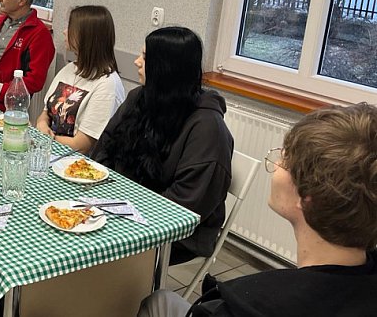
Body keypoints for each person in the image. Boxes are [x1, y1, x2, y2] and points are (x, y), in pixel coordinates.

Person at [139, 103, 377, 317]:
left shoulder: (241, 306)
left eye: (286, 160)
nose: (276, 165)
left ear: (306, 198)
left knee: (159, 301)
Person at [91, 27, 233, 265]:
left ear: (167, 68)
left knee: (87, 245)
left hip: (175, 233)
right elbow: (104, 147)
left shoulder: (208, 129)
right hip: (122, 206)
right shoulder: (140, 98)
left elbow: (185, 206)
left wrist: (120, 207)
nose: (136, 62)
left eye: (145, 57)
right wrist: (108, 197)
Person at [36, 5, 125, 153]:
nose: (65, 32)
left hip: (77, 164)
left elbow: (82, 145)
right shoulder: (70, 68)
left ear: (87, 37)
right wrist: (42, 125)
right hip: (50, 150)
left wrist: (46, 138)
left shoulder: (108, 85)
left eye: (70, 28)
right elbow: (45, 113)